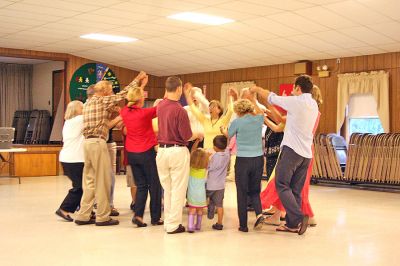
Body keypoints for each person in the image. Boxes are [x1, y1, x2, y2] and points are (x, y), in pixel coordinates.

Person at [74, 71, 147, 226]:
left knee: (89, 181)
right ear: (105, 92)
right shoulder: (102, 101)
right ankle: (102, 216)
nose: (112, 93)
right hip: (98, 144)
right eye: (110, 91)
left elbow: (105, 115)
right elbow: (124, 94)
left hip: (87, 144)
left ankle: (83, 215)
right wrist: (138, 79)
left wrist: (115, 111)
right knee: (103, 180)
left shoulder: (88, 103)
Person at [251, 75, 319, 235]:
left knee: (281, 184)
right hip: (306, 155)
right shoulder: (313, 104)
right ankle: (292, 224)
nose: (292, 91)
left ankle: (298, 216)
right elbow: (282, 118)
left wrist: (256, 89)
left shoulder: (297, 102)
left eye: (293, 88)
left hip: (292, 151)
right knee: (295, 189)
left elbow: (272, 97)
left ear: (298, 88)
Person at [156, 77, 201, 234]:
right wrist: (198, 133)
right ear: (179, 89)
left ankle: (168, 221)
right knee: (178, 190)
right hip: (177, 151)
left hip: (161, 151)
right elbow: (186, 135)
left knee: (167, 189)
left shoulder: (160, 106)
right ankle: (173, 224)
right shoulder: (180, 110)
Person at [121, 81, 163, 227]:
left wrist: (141, 87)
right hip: (146, 152)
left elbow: (133, 100)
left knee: (141, 185)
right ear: (140, 99)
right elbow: (161, 107)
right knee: (155, 185)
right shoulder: (145, 113)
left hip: (132, 153)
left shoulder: (124, 112)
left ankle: (138, 215)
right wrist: (166, 95)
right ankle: (156, 218)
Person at [221, 99, 265, 232]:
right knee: (255, 190)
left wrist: (223, 130)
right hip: (258, 159)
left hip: (243, 160)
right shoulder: (259, 119)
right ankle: (259, 214)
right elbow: (262, 111)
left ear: (238, 111)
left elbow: (228, 135)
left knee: (241, 192)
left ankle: (243, 225)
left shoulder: (237, 122)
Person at [55, 100, 85, 222]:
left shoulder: (69, 122)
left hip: (69, 159)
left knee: (83, 186)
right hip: (74, 160)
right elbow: (91, 113)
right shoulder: (78, 120)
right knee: (80, 187)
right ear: (77, 110)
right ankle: (64, 209)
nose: (84, 110)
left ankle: (84, 209)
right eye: (82, 108)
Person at [184, 84, 237, 150]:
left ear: (219, 110)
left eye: (213, 106)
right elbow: (192, 107)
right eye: (210, 107)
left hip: (219, 152)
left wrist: (230, 96)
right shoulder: (205, 120)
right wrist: (187, 94)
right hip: (206, 152)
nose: (210, 108)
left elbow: (231, 110)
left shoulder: (223, 121)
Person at [206, 135, 230, 230]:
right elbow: (227, 147)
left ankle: (210, 210)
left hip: (210, 184)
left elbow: (208, 167)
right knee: (220, 205)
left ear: (215, 147)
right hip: (221, 186)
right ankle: (219, 223)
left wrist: (208, 157)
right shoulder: (227, 154)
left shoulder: (214, 157)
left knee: (209, 199)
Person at [186, 138, 209, 233]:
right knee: (200, 210)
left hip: (192, 194)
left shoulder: (190, 168)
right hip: (201, 195)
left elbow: (192, 151)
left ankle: (190, 226)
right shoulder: (205, 170)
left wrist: (196, 142)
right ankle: (198, 225)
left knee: (192, 210)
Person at [183, 86, 209, 150]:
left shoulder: (204, 109)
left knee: (201, 159)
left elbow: (205, 103)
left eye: (195, 95)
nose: (194, 97)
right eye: (192, 95)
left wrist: (196, 94)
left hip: (202, 140)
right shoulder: (185, 109)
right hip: (189, 140)